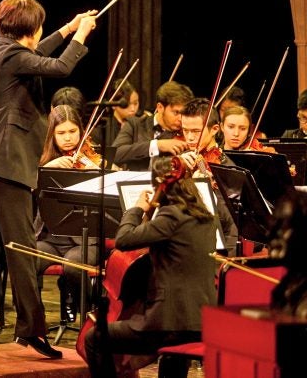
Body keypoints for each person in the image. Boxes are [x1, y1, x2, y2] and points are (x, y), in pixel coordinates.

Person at [0, 0, 97, 358]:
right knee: (21, 248)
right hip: (8, 162)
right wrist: (81, 34)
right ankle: (32, 330)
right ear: (30, 28)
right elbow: (59, 67)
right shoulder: (14, 55)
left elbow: (37, 56)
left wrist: (65, 29)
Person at [84, 156, 218, 378]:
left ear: (160, 185)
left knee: (95, 338)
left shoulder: (170, 216)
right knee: (173, 355)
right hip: (201, 321)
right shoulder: (206, 218)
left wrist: (136, 210)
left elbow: (124, 240)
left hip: (169, 324)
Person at [35, 104, 100, 324]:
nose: (68, 138)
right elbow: (28, 192)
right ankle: (34, 317)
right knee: (26, 261)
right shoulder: (41, 162)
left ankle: (87, 314)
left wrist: (93, 171)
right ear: (51, 135)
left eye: (73, 132)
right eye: (61, 133)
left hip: (85, 241)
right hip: (50, 239)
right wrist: (48, 168)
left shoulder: (92, 161)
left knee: (74, 266)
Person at [177, 98, 238, 256]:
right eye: (185, 130)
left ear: (215, 129)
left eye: (196, 131)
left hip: (212, 249)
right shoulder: (182, 160)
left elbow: (231, 223)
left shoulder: (225, 167)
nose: (189, 138)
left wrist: (205, 190)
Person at [111, 81, 192, 171]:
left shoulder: (186, 133)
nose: (181, 118)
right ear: (160, 107)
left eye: (184, 113)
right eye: (176, 112)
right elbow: (115, 154)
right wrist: (156, 145)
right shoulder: (135, 124)